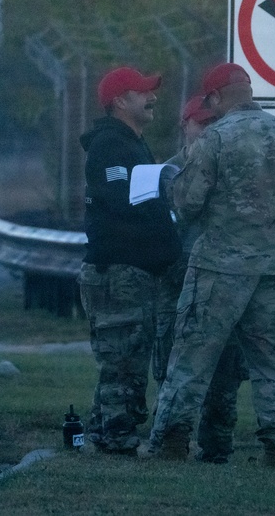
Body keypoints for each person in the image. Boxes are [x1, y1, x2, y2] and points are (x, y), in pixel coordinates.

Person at [140, 63, 275, 465]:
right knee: (272, 362)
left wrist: (172, 188)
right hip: (274, 268)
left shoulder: (214, 139)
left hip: (219, 268)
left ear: (216, 98)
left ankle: (171, 441)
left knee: (191, 357)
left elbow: (186, 204)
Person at [77, 66, 182, 455]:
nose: (152, 98)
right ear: (120, 101)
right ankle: (117, 438)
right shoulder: (111, 146)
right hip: (118, 271)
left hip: (135, 270)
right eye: (143, 92)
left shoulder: (132, 143)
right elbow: (122, 200)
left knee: (127, 355)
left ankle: (105, 430)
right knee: (122, 358)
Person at [155, 94, 249, 464]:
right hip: (177, 283)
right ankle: (172, 441)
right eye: (202, 123)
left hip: (222, 282)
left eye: (214, 123)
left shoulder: (234, 168)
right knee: (173, 369)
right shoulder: (169, 171)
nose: (209, 130)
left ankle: (217, 447)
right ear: (186, 124)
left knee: (225, 375)